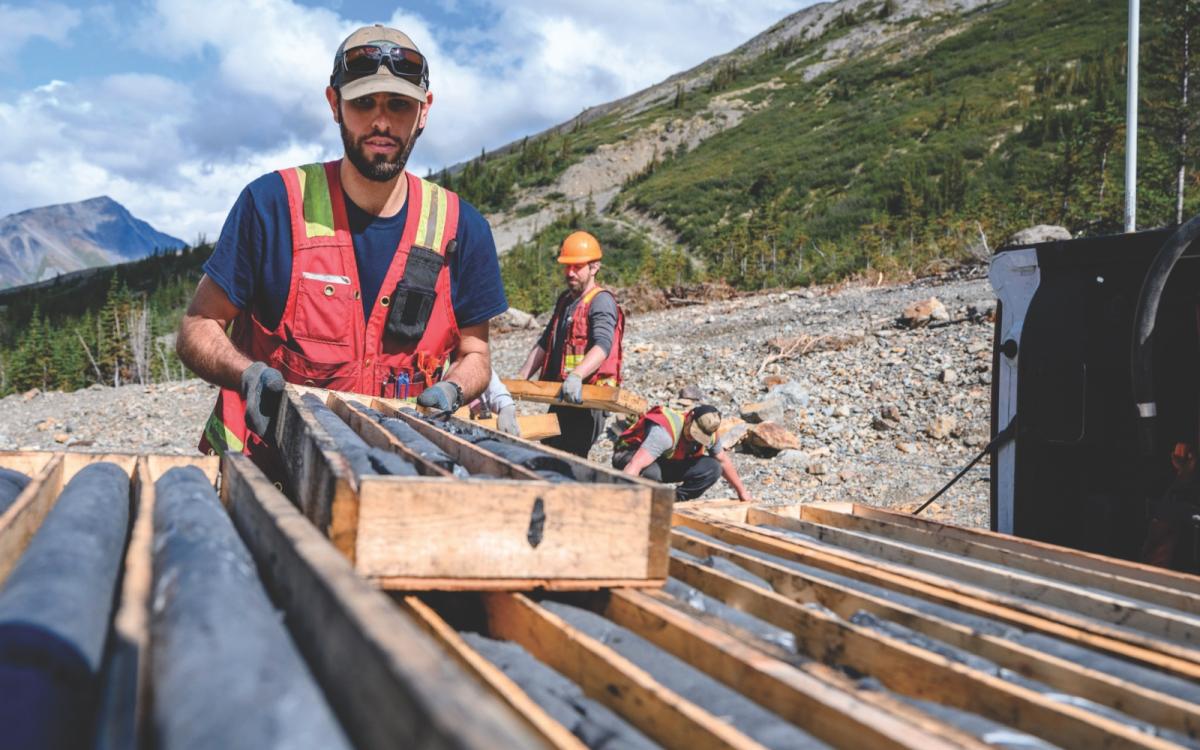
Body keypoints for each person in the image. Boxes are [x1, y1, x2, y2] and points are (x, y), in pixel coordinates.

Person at [177, 24, 507, 471]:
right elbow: (199, 325)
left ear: (424, 110)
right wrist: (246, 373)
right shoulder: (272, 205)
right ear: (335, 104)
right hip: (262, 472)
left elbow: (475, 354)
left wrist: (454, 389)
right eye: (363, 102)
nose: (382, 122)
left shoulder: (463, 229)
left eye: (399, 104)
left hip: (395, 474)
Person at [516, 231, 624, 458]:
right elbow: (545, 343)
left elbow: (603, 346)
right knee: (549, 454)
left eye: (577, 267)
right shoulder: (566, 300)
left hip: (588, 399)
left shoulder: (601, 301)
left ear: (594, 268)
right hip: (564, 395)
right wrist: (519, 380)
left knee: (570, 459)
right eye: (567, 267)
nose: (570, 272)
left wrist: (577, 375)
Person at [612, 404, 752, 502]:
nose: (693, 438)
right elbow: (635, 465)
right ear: (690, 416)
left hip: (664, 460)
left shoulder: (711, 436)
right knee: (650, 473)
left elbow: (723, 461)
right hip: (629, 455)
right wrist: (621, 498)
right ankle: (643, 500)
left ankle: (671, 500)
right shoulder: (664, 432)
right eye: (693, 432)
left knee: (713, 467)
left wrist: (742, 492)